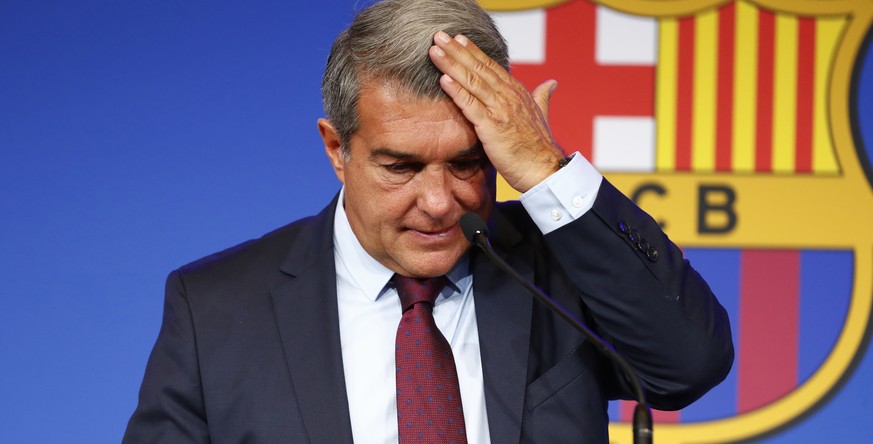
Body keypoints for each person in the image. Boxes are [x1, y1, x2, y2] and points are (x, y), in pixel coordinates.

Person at [123, 0, 733, 442]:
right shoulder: (217, 308)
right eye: (401, 167)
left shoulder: (560, 268)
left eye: (467, 163)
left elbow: (690, 365)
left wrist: (545, 169)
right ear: (337, 149)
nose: (440, 202)